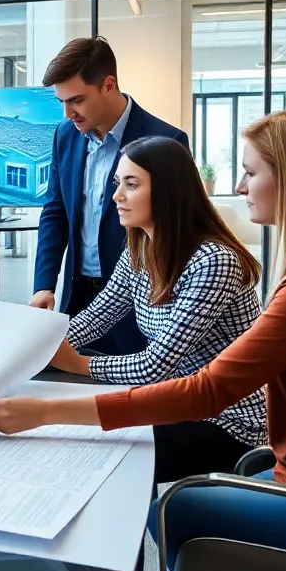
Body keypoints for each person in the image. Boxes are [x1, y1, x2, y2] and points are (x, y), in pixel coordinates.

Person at [0, 107, 286, 571]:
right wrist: (7, 355)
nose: (240, 188)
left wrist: (47, 408)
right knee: (146, 484)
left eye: (250, 172)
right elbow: (92, 323)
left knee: (168, 511)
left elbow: (207, 389)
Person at [47, 135, 266, 487]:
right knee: (64, 382)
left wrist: (78, 364)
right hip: (173, 398)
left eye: (131, 185)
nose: (116, 195)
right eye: (118, 183)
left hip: (226, 422)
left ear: (167, 191)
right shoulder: (141, 245)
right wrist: (37, 345)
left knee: (101, 446)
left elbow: (155, 365)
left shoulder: (214, 260)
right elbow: (95, 318)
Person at [32, 36, 189, 355]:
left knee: (131, 397)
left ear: (108, 85)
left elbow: (173, 229)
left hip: (139, 306)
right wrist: (44, 284)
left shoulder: (166, 140)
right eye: (61, 102)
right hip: (77, 297)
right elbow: (55, 211)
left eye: (76, 100)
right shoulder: (65, 136)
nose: (67, 113)